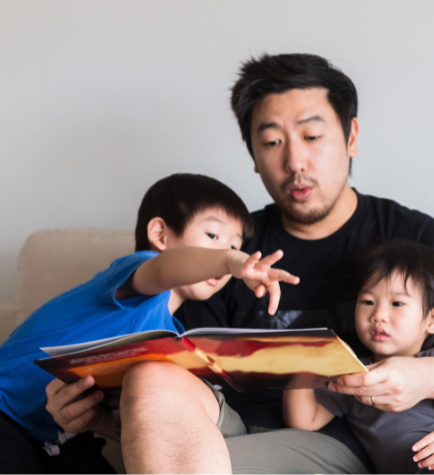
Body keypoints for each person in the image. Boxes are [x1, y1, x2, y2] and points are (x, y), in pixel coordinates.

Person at [45, 53, 434, 473]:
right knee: (151, 375)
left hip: (369, 447)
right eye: (271, 143)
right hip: (242, 438)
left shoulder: (409, 239)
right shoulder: (228, 248)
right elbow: (167, 408)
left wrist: (422, 378)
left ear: (351, 138)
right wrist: (94, 417)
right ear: (253, 155)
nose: (294, 162)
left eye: (312, 137)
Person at [0, 173, 299, 474]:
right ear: (160, 234)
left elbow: (137, 421)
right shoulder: (137, 273)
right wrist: (231, 262)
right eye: (213, 236)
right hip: (6, 412)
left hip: (62, 438)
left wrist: (97, 421)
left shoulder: (173, 337)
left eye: (236, 245)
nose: (229, 252)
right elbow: (162, 269)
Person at [283, 239, 434, 474]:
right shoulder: (353, 376)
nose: (378, 315)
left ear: (433, 319)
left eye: (397, 303)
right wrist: (301, 367)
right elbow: (303, 422)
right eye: (368, 301)